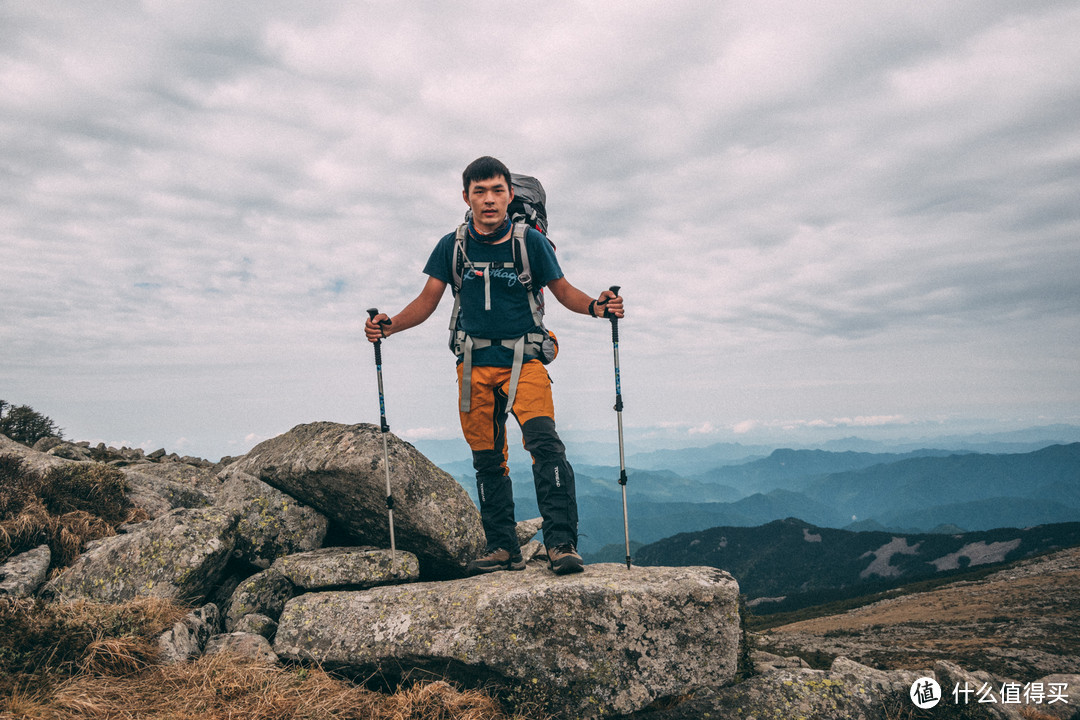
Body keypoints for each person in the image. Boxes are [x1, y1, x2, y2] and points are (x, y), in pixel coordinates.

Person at [365, 156, 624, 575]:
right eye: (479, 191)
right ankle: (502, 546)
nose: (489, 200)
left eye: (497, 191)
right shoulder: (452, 245)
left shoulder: (529, 242)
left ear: (509, 194)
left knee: (545, 446)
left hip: (526, 361)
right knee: (487, 459)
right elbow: (427, 301)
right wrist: (389, 326)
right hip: (473, 366)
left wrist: (597, 307)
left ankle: (561, 543)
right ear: (465, 196)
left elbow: (563, 292)